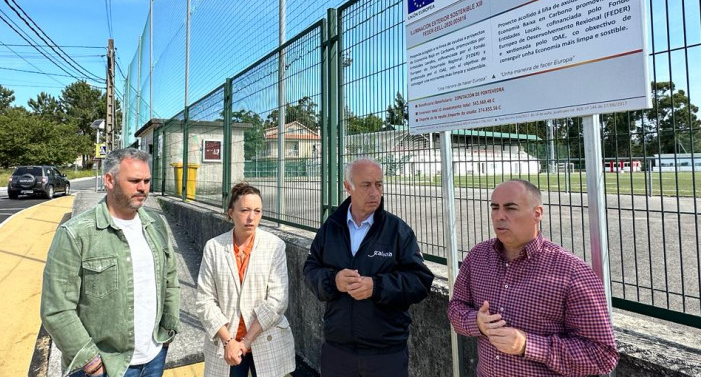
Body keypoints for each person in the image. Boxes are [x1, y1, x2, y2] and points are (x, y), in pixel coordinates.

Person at [448, 179, 619, 376]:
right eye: (495, 208)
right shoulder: (478, 257)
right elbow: (455, 308)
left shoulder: (571, 272)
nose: (499, 216)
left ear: (537, 214)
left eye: (510, 208)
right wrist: (476, 322)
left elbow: (602, 356)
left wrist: (527, 345)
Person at [41, 148, 180, 377]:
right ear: (109, 180)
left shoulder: (155, 224)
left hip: (154, 358)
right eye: (134, 180)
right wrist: (91, 362)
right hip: (104, 367)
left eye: (146, 180)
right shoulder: (75, 234)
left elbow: (170, 279)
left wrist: (169, 329)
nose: (143, 188)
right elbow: (56, 309)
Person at [303, 157, 434, 377]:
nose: (375, 192)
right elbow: (310, 269)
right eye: (366, 185)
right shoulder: (331, 228)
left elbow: (420, 281)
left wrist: (376, 286)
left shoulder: (397, 230)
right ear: (348, 187)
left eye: (379, 184)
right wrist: (333, 281)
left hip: (386, 355)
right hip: (338, 351)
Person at [195, 182, 295, 377]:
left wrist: (246, 341)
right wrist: (228, 341)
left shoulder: (274, 246)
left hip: (266, 339)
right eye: (245, 210)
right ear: (230, 212)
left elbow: (277, 300)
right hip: (227, 345)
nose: (251, 217)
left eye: (257, 211)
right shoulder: (214, 247)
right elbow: (205, 300)